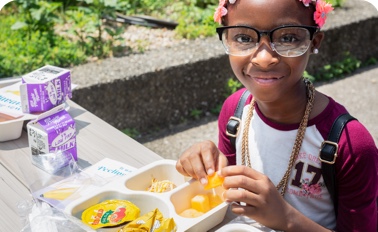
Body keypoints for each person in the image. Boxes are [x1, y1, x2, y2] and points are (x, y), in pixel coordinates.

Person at [175, 0, 378, 231]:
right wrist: (205, 167)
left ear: (314, 42)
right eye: (244, 38)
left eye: (288, 38)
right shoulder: (235, 113)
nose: (264, 58)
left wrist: (287, 219)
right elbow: (228, 196)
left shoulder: (349, 143)